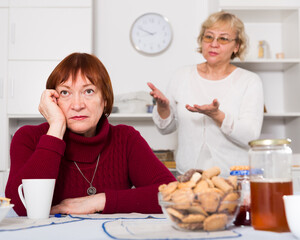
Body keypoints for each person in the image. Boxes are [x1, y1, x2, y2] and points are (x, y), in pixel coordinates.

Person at [5, 52, 176, 216]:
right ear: (53, 100)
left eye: (88, 91)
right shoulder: (28, 137)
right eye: (65, 93)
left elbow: (172, 195)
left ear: (105, 99)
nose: (77, 105)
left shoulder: (126, 139)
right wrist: (56, 127)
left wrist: (99, 201)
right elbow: (22, 207)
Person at [148, 11, 264, 175]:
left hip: (232, 179)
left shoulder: (250, 81)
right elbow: (165, 129)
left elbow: (250, 136)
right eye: (209, 37)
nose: (214, 44)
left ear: (237, 46)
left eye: (223, 38)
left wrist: (217, 115)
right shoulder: (181, 76)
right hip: (188, 178)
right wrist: (163, 109)